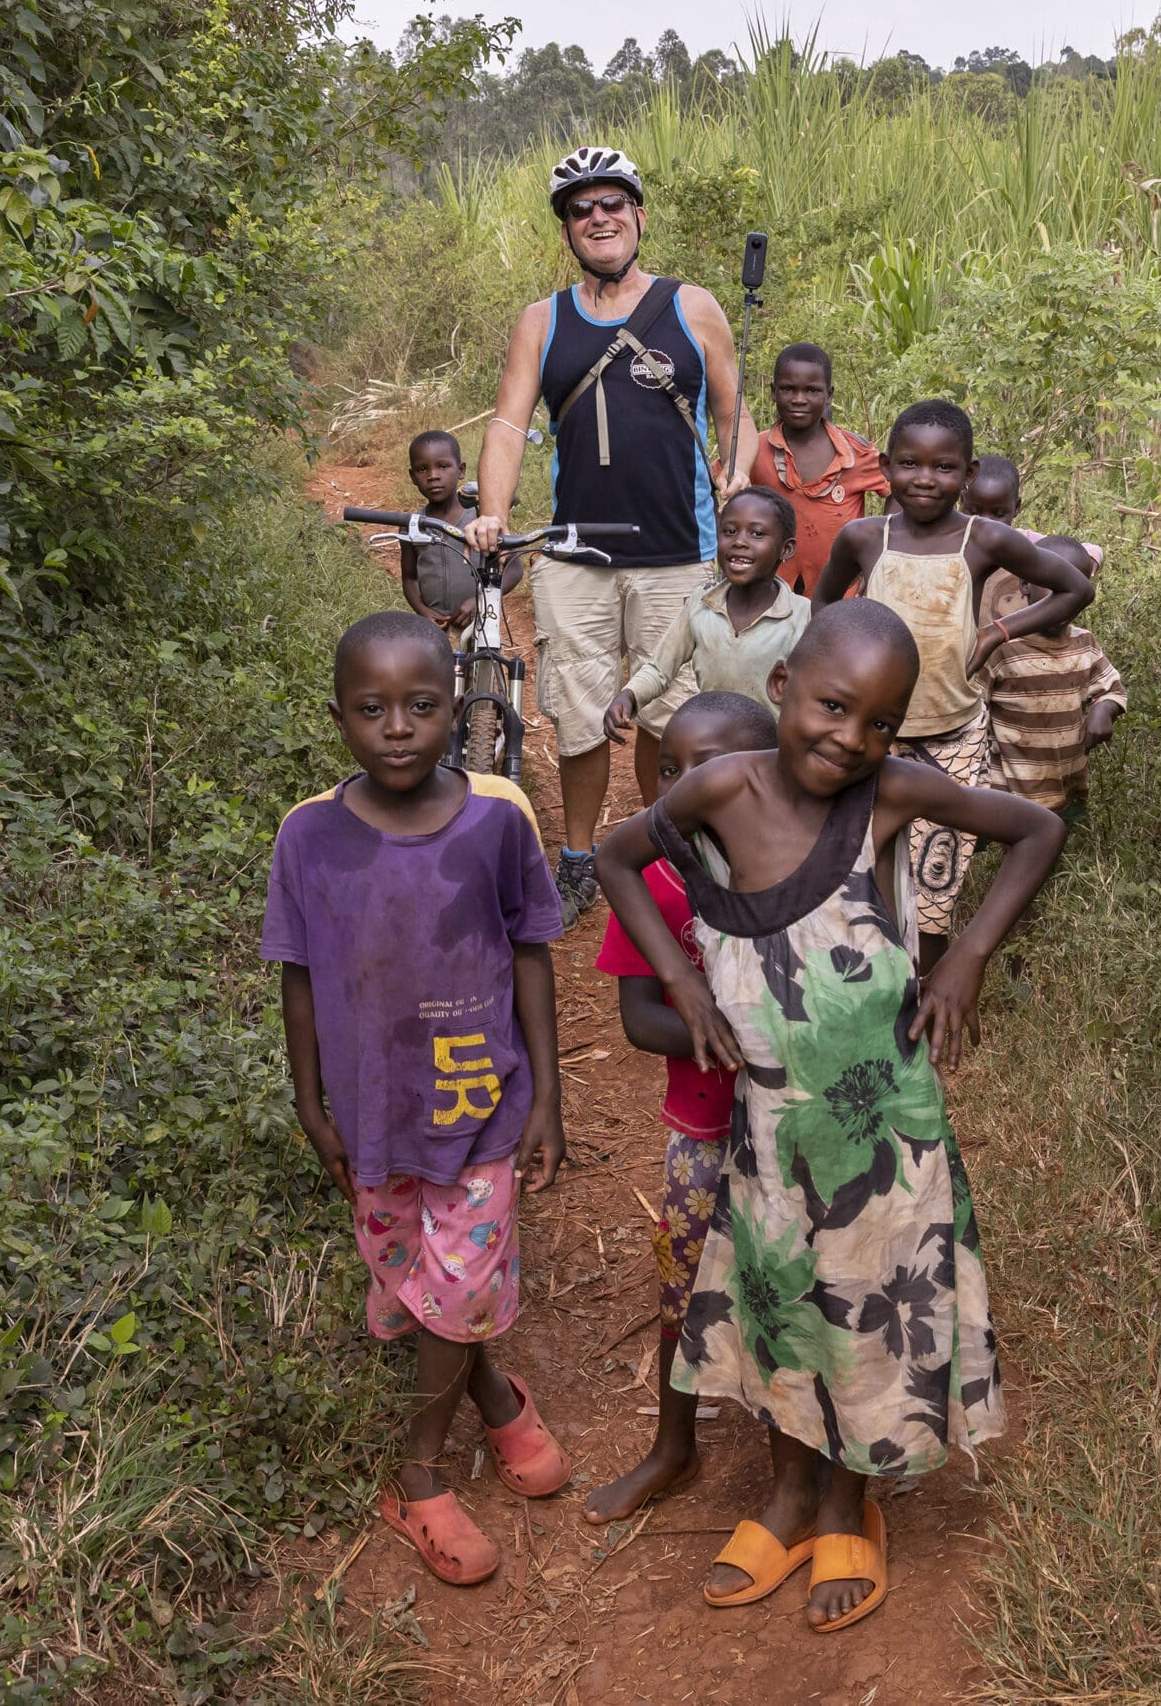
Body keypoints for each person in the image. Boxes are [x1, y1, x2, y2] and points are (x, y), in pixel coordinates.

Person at [594, 599, 1068, 1633]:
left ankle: (851, 1503)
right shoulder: (720, 786)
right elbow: (618, 860)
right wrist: (679, 978)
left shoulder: (887, 794)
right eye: (832, 707)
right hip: (768, 1127)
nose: (851, 739)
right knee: (780, 1304)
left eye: (880, 723)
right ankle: (789, 1495)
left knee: (863, 1310)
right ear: (781, 693)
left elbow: (1037, 827)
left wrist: (969, 961)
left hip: (884, 1128)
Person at [262, 610, 573, 1588]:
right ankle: (489, 1384)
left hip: (479, 1109)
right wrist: (311, 1100)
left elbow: (529, 955)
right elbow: (298, 974)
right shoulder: (308, 836)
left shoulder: (497, 817)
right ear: (338, 718)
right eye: (371, 708)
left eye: (422, 705)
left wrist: (550, 1097)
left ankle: (417, 1474)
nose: (397, 726)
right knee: (412, 1279)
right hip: (374, 1116)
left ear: (457, 708)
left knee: (462, 1280)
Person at [469, 145, 759, 916]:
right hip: (576, 555)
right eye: (581, 209)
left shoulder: (692, 307)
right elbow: (506, 422)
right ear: (567, 229)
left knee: (673, 713)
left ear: (638, 215)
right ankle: (579, 858)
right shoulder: (543, 321)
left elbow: (735, 415)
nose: (599, 218)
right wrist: (491, 511)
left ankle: (663, 845)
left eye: (613, 204)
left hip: (681, 553)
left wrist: (737, 472)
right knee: (579, 714)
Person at [582, 690, 781, 1527]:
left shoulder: (796, 870)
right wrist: (733, 1033)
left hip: (792, 1131)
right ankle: (674, 1446)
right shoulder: (655, 881)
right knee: (684, 1279)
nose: (685, 787)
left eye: (711, 768)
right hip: (702, 1132)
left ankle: (795, 1461)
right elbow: (638, 1019)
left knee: (788, 1283)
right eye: (670, 769)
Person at [813, 400, 1092, 970]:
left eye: (944, 468)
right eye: (910, 464)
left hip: (952, 735)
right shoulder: (866, 537)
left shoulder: (983, 540)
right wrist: (835, 671)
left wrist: (998, 630)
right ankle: (863, 981)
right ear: (887, 467)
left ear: (967, 476)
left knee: (934, 882)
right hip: (869, 735)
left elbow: (1074, 589)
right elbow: (823, 603)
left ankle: (931, 992)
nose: (924, 479)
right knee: (857, 862)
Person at [958, 456, 1128, 825]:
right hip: (1005, 771)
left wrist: (1104, 709)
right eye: (975, 510)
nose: (987, 524)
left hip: (1065, 770)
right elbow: (974, 707)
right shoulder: (951, 547)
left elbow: (1088, 553)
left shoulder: (1027, 553)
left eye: (999, 513)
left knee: (1060, 824)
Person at [602, 488, 809, 749]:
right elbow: (660, 668)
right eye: (729, 531)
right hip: (714, 749)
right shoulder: (702, 604)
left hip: (773, 756)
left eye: (757, 533)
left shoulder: (802, 616)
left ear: (786, 548)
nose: (740, 541)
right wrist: (628, 696)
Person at [748, 343, 887, 595]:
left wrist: (879, 555)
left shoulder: (856, 453)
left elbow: (898, 487)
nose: (799, 399)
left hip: (842, 596)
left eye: (812, 390)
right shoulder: (755, 448)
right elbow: (717, 483)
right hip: (770, 594)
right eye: (788, 389)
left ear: (829, 394)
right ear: (773, 391)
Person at [398, 429, 499, 636]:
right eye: (422, 469)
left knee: (486, 664)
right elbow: (410, 578)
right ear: (412, 476)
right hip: (435, 631)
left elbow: (513, 569)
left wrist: (480, 599)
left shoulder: (482, 520)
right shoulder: (413, 525)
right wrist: (424, 612)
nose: (433, 476)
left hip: (480, 623)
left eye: (443, 466)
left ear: (461, 470)